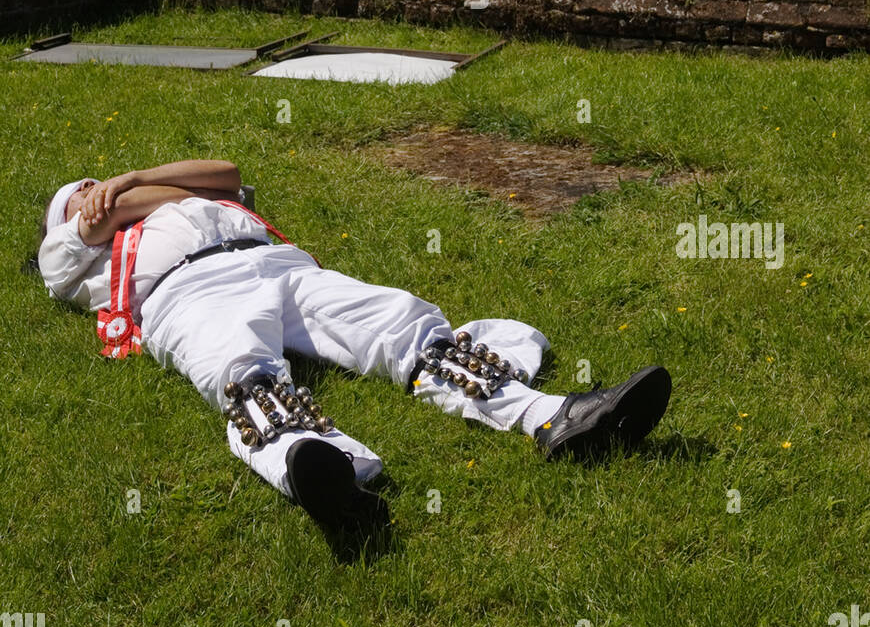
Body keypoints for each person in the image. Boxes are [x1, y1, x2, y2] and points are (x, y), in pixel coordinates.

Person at [37, 160, 672, 535]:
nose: (95, 191)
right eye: (80, 191)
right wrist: (107, 202)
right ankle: (318, 474)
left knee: (404, 323)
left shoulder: (153, 192)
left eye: (96, 181)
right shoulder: (69, 249)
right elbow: (97, 223)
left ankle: (555, 416)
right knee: (244, 377)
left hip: (278, 265)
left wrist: (133, 176)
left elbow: (226, 173)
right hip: (189, 293)